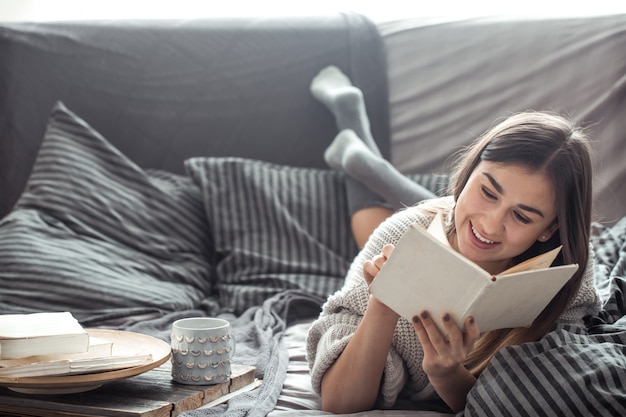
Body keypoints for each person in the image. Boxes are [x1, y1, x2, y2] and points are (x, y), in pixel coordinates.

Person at [306, 66, 601, 413]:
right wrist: (383, 305)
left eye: (522, 216)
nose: (492, 225)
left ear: (549, 229)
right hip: (419, 223)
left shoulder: (568, 275)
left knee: (451, 218)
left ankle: (368, 163)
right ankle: (356, 132)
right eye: (487, 191)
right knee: (400, 224)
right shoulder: (402, 233)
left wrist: (446, 375)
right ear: (467, 172)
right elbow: (340, 402)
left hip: (456, 218)